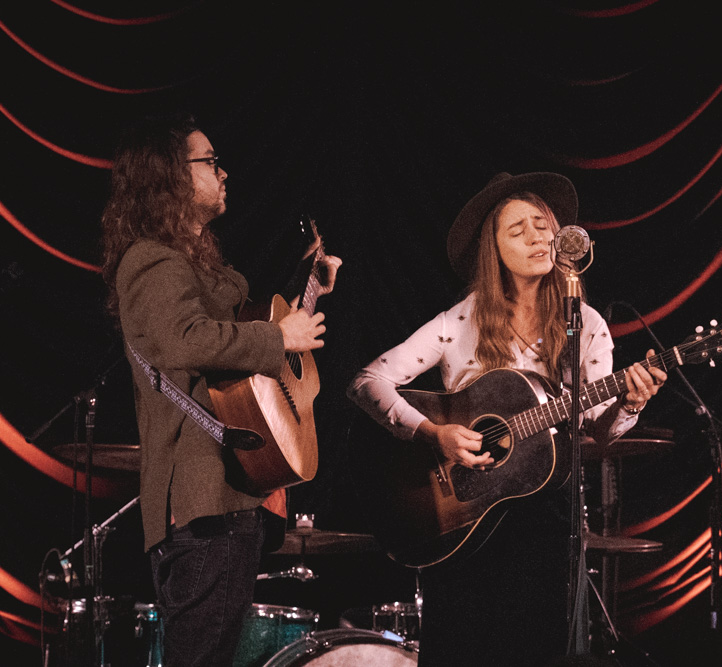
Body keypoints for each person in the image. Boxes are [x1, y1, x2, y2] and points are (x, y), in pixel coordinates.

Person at [348, 172, 667, 666]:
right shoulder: (461, 321)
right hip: (461, 519)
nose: (539, 238)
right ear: (493, 251)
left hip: (543, 520)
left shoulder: (586, 323)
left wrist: (631, 402)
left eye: (544, 227)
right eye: (519, 231)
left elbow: (597, 430)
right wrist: (434, 433)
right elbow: (368, 383)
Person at [100, 113, 341, 666]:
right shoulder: (152, 259)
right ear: (169, 176)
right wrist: (278, 335)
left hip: (228, 500)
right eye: (209, 162)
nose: (224, 172)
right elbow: (184, 340)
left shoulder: (193, 266)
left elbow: (245, 361)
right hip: (205, 500)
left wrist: (308, 294)